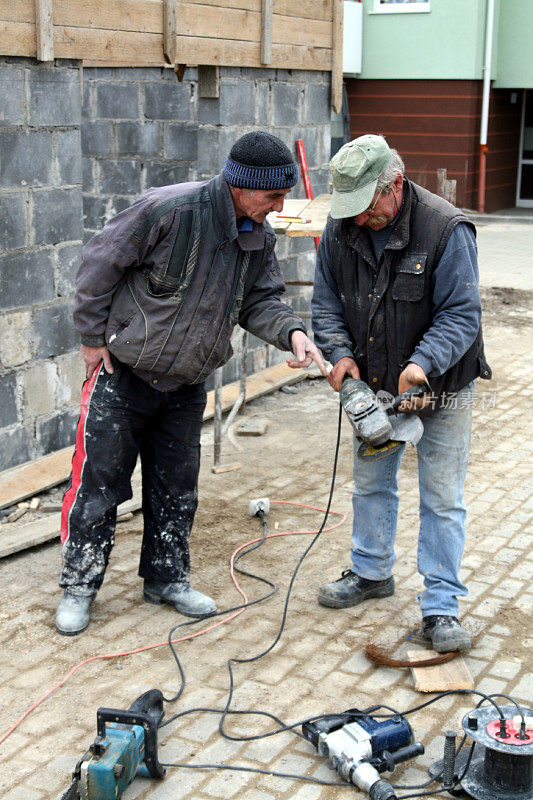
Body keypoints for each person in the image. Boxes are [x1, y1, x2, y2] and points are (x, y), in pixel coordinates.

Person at [56, 131, 326, 636]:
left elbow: (261, 299)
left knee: (177, 487)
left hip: (185, 385)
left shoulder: (258, 235)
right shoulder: (168, 210)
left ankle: (166, 579)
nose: (279, 205)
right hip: (125, 374)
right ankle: (79, 584)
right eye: (273, 195)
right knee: (100, 485)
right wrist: (92, 337)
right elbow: (99, 263)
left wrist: (292, 334)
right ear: (243, 186)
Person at [311, 134, 491, 652]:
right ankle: (371, 573)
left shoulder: (446, 229)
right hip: (375, 388)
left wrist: (421, 365)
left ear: (394, 186)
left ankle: (441, 608)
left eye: (366, 207)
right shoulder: (344, 226)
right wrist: (340, 356)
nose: (358, 219)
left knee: (441, 498)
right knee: (370, 483)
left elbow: (462, 315)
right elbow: (326, 303)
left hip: (442, 387)